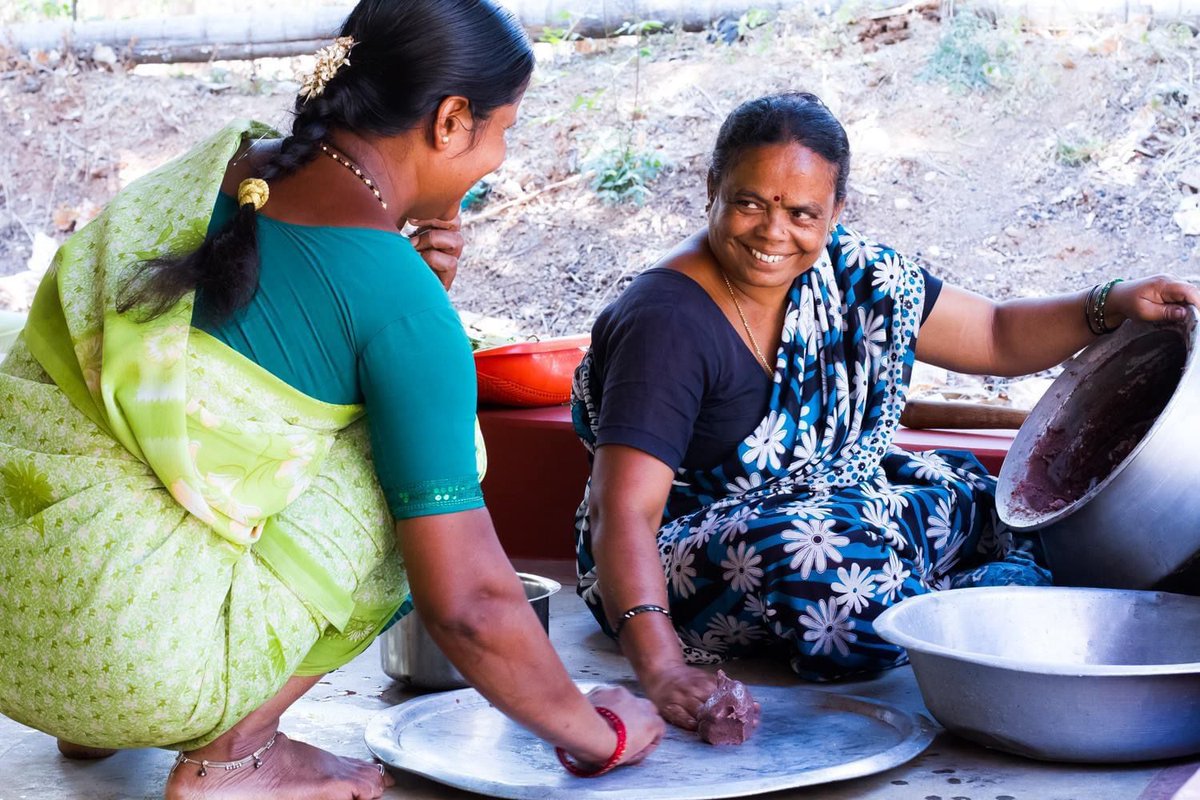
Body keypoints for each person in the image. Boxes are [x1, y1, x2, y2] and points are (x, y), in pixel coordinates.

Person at [0, 2, 664, 798]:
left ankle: (87, 723)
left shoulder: (222, 170)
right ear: (451, 121)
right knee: (425, 461)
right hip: (134, 668)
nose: (500, 155)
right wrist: (602, 730)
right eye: (503, 129)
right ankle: (236, 759)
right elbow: (471, 605)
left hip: (22, 630)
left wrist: (410, 288)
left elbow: (220, 372)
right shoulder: (400, 308)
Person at [571, 91, 1200, 731]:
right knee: (820, 554)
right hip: (682, 554)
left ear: (836, 210)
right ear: (713, 187)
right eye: (750, 203)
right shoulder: (667, 322)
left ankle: (941, 603)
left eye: (802, 212)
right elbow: (622, 510)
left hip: (838, 505)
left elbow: (994, 333)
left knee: (984, 503)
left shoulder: (853, 271)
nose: (773, 232)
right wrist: (661, 667)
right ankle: (970, 611)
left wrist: (1113, 301)